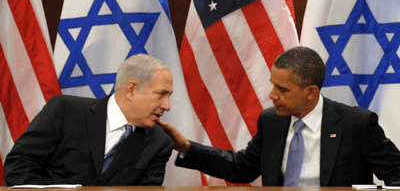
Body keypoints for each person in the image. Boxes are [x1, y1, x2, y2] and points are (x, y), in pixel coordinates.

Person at [158, 46, 400, 187]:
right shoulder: (271, 121)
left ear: (311, 92)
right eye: (273, 85)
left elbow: (396, 174)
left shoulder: (356, 123)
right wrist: (187, 147)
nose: (272, 96)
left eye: (282, 90)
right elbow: (241, 168)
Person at [4, 54, 174, 186]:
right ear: (131, 90)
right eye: (161, 94)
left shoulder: (159, 143)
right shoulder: (65, 111)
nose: (167, 106)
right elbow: (18, 167)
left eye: (169, 96)